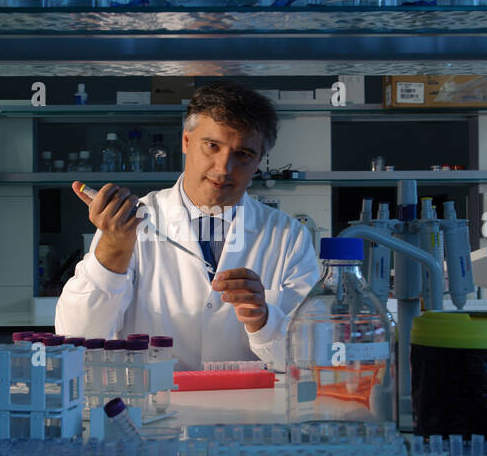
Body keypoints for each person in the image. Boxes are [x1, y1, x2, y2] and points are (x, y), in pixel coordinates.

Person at [55, 81, 321, 370]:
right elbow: (77, 341)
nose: (223, 168)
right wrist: (112, 248)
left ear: (259, 160)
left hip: (250, 409)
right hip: (154, 408)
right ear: (186, 142)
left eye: (243, 154)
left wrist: (264, 320)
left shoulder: (288, 237)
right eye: (212, 146)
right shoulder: (129, 223)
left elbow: (312, 356)